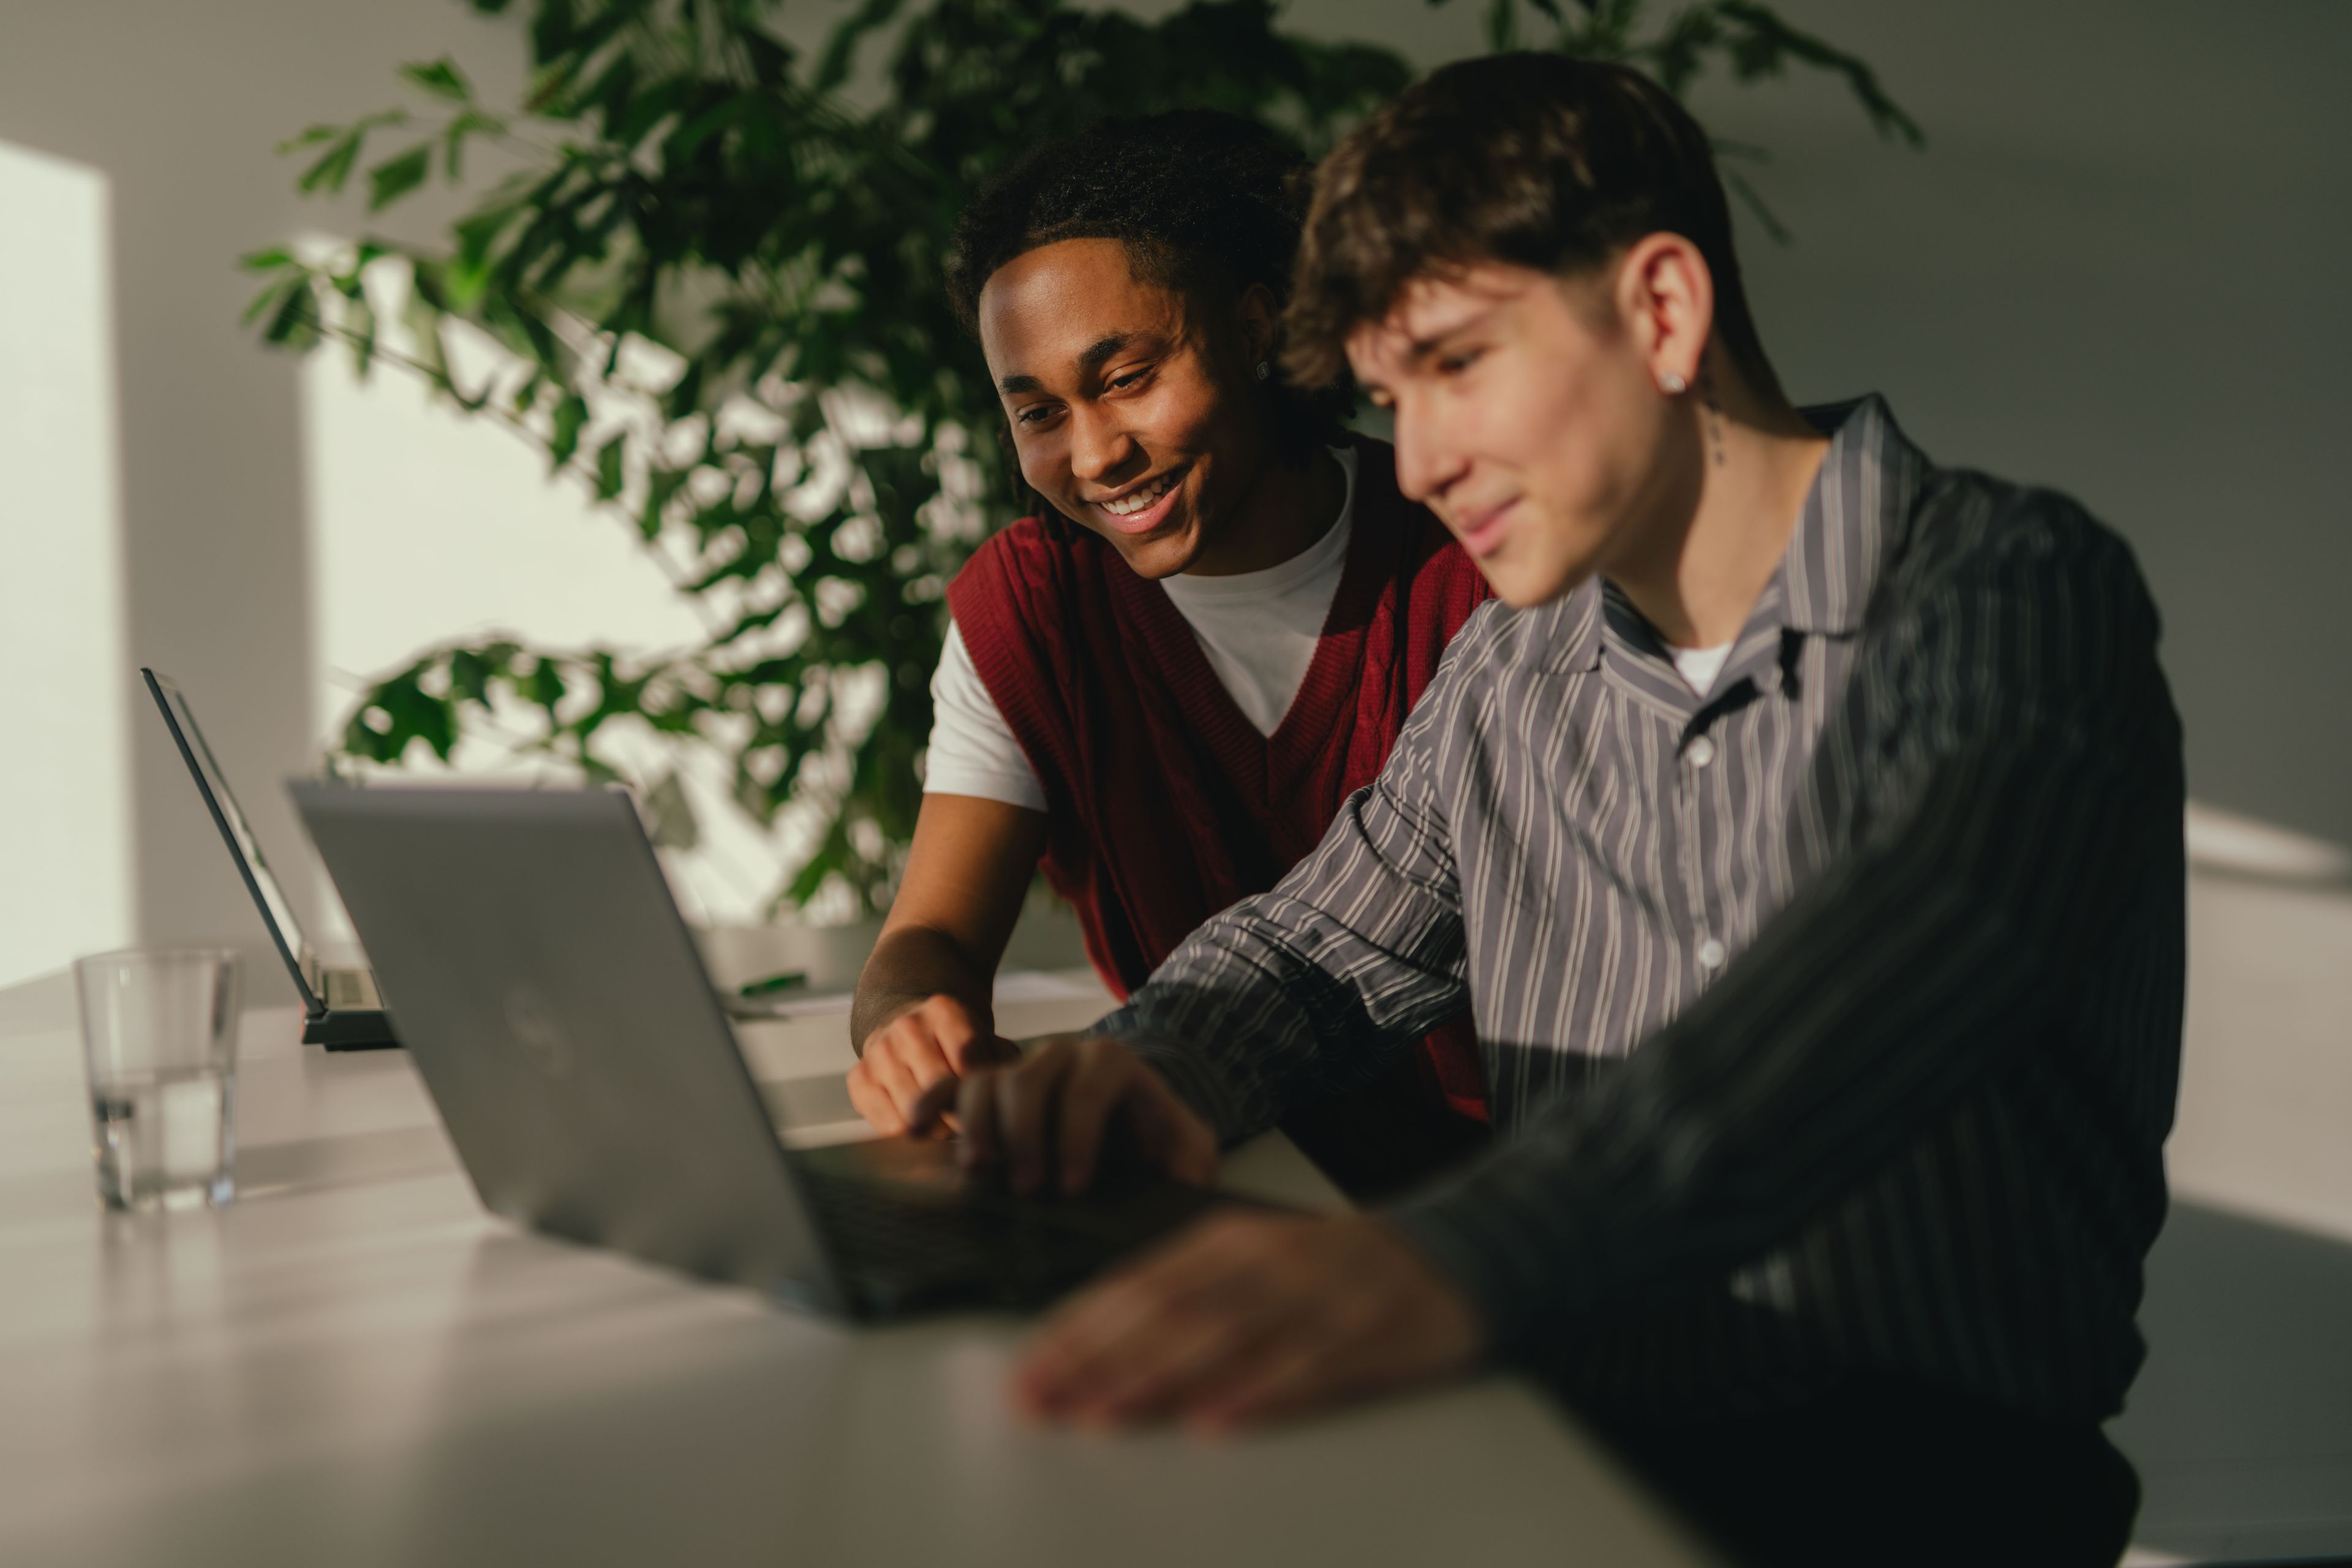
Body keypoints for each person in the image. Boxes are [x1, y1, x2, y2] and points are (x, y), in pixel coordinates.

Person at [909, 55, 2183, 1567]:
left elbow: (1881, 987)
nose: (1426, 460)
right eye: (1392, 397)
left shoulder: (2013, 594)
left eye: (1459, 365)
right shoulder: (1520, 661)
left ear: (1660, 310)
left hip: (1922, 1490)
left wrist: (1454, 1255)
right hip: (1565, 1454)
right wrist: (1149, 1064)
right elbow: (1321, 939)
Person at [845, 111, 1493, 1197]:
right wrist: (909, 1028)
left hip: (1497, 1205)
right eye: (1039, 411)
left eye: (1128, 377)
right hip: (1210, 1176)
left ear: (1251, 327)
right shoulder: (1036, 608)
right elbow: (929, 937)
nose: (1094, 453)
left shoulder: (1478, 552)